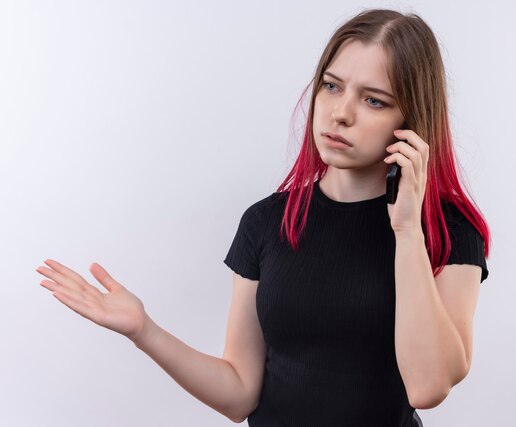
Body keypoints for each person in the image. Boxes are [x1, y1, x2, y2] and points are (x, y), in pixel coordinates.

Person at [36, 8, 490, 427]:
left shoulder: (448, 230)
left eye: (373, 100)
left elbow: (428, 386)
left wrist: (407, 231)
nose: (340, 113)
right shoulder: (266, 222)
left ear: (411, 119)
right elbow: (239, 393)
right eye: (332, 86)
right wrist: (144, 330)